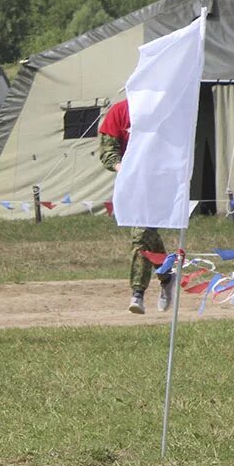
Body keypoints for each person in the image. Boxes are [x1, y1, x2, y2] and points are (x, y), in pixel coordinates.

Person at [98, 98, 174, 314]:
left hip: (160, 180)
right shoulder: (120, 111)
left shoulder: (164, 110)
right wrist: (121, 167)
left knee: (140, 234)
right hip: (132, 184)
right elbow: (107, 152)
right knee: (146, 234)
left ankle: (137, 293)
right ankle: (166, 276)